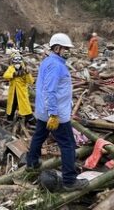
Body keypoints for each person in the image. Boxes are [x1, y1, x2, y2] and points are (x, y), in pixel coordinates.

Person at [26, 33, 87, 191]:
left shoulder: (49, 61)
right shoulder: (56, 65)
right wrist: (53, 114)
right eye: (66, 48)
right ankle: (69, 181)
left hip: (43, 112)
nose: (68, 51)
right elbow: (50, 91)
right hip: (56, 114)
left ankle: (31, 163)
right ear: (57, 48)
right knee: (68, 146)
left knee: (39, 137)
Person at [3, 54, 34, 124]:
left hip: (22, 92)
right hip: (13, 92)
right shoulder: (11, 68)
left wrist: (27, 73)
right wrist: (14, 74)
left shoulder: (24, 69)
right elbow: (5, 76)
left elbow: (31, 81)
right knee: (12, 106)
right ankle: (9, 119)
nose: (17, 63)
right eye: (15, 62)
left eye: (18, 62)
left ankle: (31, 120)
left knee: (25, 107)